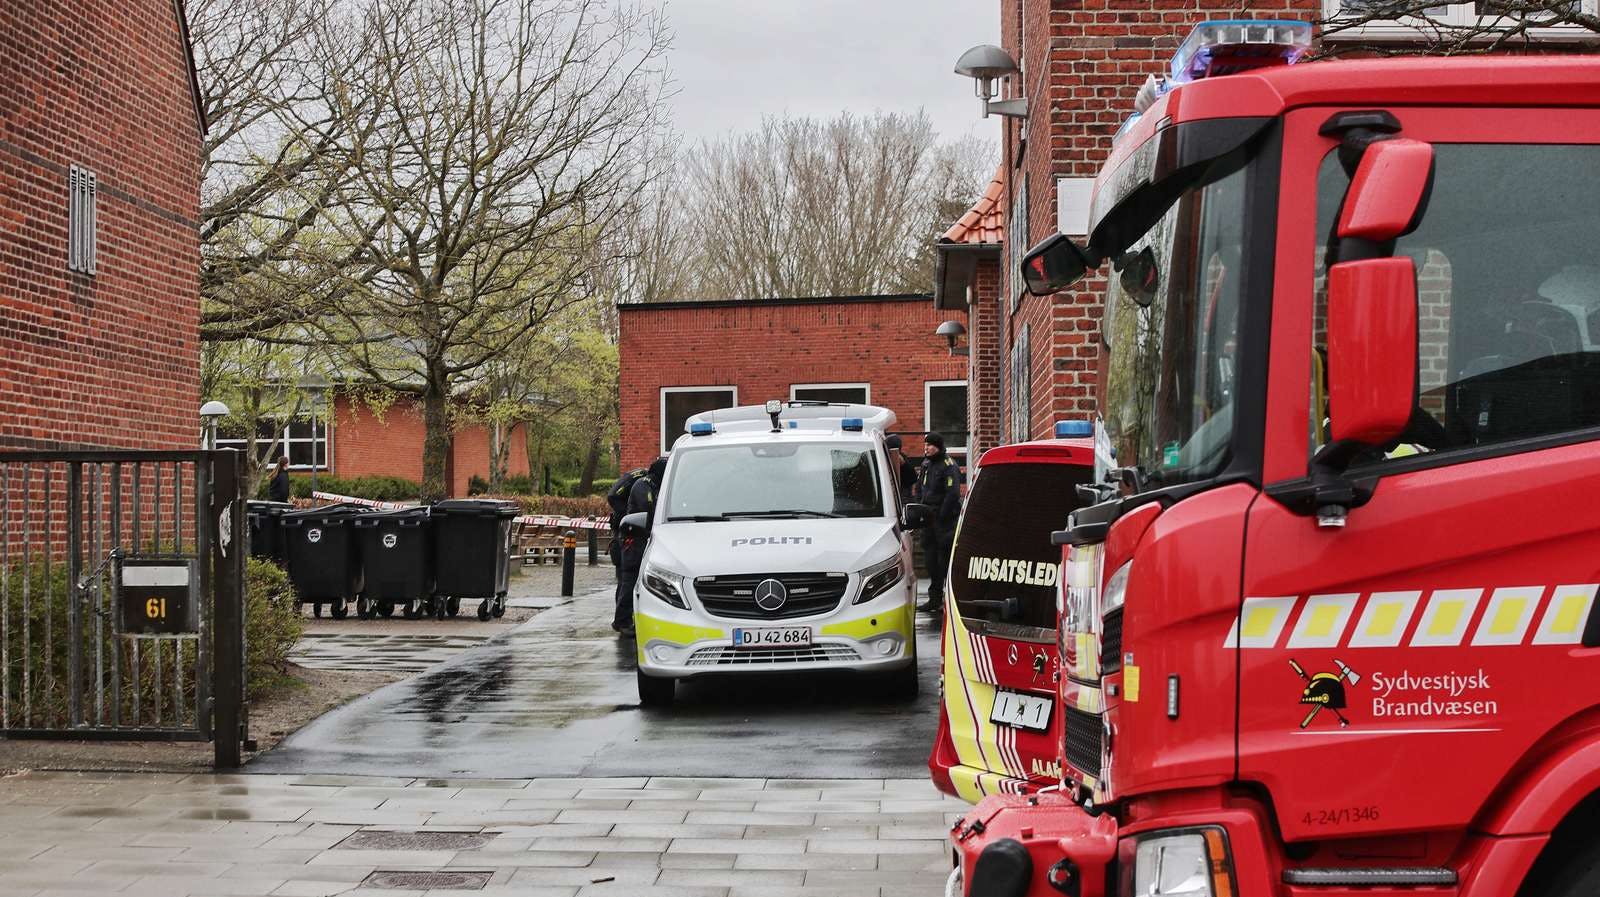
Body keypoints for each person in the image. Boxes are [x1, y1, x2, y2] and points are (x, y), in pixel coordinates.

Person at [614, 454, 668, 636]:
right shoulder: (643, 486)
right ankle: (622, 621)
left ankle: (634, 618)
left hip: (642, 539)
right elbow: (649, 511)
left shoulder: (653, 486)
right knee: (629, 579)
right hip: (633, 540)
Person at [916, 432, 962, 614]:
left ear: (939, 446)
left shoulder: (948, 466)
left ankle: (949, 599)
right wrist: (920, 507)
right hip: (928, 517)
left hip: (944, 520)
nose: (926, 448)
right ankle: (934, 598)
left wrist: (941, 515)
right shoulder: (926, 464)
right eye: (925, 445)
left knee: (945, 559)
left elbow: (953, 494)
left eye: (930, 445)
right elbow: (920, 488)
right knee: (930, 558)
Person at [885, 435, 919, 504]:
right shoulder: (888, 458)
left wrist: (903, 465)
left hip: (902, 497)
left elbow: (912, 479)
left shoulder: (902, 460)